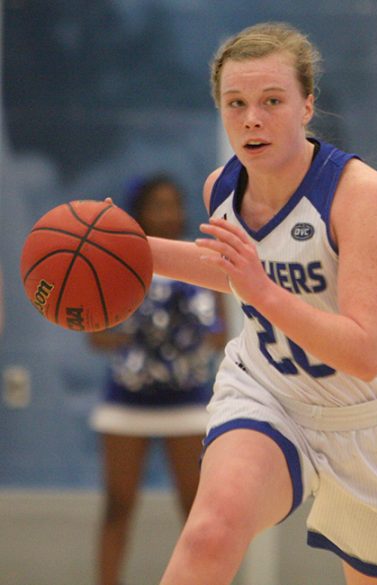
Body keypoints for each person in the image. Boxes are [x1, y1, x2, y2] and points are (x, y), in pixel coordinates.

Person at [145, 22, 377, 585]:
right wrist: (131, 253)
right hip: (271, 392)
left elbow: (364, 353)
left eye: (272, 101)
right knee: (211, 531)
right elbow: (230, 270)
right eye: (235, 103)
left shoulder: (360, 193)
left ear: (308, 105)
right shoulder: (223, 187)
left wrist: (261, 290)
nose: (251, 118)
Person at [88, 175, 227, 585]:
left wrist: (180, 338)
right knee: (117, 505)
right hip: (126, 402)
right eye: (159, 205)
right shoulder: (118, 263)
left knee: (197, 512)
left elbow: (218, 334)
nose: (170, 213)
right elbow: (96, 337)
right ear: (141, 211)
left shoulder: (202, 259)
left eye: (175, 204)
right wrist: (141, 334)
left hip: (187, 403)